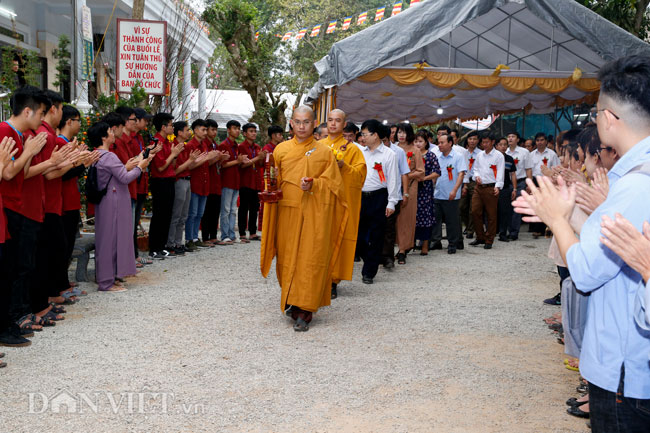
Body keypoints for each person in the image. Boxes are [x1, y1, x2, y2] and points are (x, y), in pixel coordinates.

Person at [517, 55, 650, 432]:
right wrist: (566, 212)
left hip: (625, 368)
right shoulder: (637, 176)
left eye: (596, 113)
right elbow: (606, 241)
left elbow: (588, 272)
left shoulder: (637, 183)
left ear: (609, 118)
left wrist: (558, 220)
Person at [260, 106, 347, 332]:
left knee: (311, 257)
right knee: (288, 257)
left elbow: (334, 185)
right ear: (291, 123)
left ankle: (305, 309)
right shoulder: (281, 150)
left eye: (306, 122)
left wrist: (314, 184)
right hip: (287, 211)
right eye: (297, 122)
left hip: (315, 215)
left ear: (315, 123)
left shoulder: (324, 152)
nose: (301, 126)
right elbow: (273, 179)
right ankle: (291, 298)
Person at [0, 86, 49, 347]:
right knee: (11, 269)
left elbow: (23, 171)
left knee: (16, 267)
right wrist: (29, 151)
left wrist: (29, 151)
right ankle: (9, 319)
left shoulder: (21, 134)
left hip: (16, 206)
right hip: (9, 207)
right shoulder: (5, 131)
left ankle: (11, 319)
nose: (42, 118)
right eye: (40, 113)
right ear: (27, 110)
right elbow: (7, 173)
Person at [91, 122, 152, 292]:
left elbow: (118, 173)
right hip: (113, 200)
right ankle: (106, 281)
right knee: (110, 240)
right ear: (104, 137)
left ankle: (110, 277)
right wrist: (140, 167)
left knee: (108, 239)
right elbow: (125, 177)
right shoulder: (109, 156)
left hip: (107, 199)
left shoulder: (97, 154)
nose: (113, 133)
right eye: (110, 131)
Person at [319, 109, 366, 298]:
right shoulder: (317, 146)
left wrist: (343, 166)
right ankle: (318, 277)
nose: (333, 124)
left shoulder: (353, 149)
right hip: (320, 201)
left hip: (341, 203)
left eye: (337, 121)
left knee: (337, 239)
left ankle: (333, 280)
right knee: (319, 240)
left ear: (344, 124)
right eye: (330, 120)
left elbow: (360, 176)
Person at [356, 119, 400, 284]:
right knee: (358, 238)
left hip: (379, 197)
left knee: (376, 236)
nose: (362, 137)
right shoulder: (361, 152)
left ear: (375, 135)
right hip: (361, 197)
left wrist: (391, 202)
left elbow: (393, 180)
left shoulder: (389, 155)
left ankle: (369, 272)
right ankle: (370, 258)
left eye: (365, 134)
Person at [149, 112, 180, 260]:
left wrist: (174, 154)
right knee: (159, 215)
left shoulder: (168, 142)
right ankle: (154, 248)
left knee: (167, 214)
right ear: (163, 126)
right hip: (160, 181)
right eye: (171, 125)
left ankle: (162, 246)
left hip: (169, 180)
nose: (172, 128)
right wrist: (172, 154)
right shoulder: (156, 142)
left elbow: (171, 165)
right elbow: (161, 167)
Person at [380, 125, 410, 268]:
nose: (383, 143)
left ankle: (387, 257)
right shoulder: (372, 151)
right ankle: (376, 254)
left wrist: (405, 193)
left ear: (390, 138)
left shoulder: (398, 152)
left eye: (385, 140)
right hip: (376, 193)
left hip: (394, 194)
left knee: (389, 227)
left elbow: (404, 173)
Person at [431, 133, 466, 254]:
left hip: (451, 194)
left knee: (452, 221)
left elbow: (461, 174)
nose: (439, 145)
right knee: (435, 219)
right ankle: (436, 241)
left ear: (450, 143)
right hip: (438, 193)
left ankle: (453, 243)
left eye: (442, 142)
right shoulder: (437, 156)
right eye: (438, 142)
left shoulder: (458, 156)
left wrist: (455, 190)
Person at [470, 131, 504, 249]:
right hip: (479, 187)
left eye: (486, 142)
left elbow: (500, 171)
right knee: (475, 211)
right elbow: (476, 169)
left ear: (493, 142)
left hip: (491, 187)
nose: (484, 144)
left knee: (491, 215)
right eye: (483, 142)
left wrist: (498, 186)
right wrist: (476, 176)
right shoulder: (480, 155)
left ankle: (489, 239)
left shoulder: (499, 156)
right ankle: (480, 236)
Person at [395, 123, 424, 264]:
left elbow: (421, 171)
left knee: (406, 220)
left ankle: (402, 250)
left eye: (404, 132)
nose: (401, 135)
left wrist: (406, 175)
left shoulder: (415, 150)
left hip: (410, 188)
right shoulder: (392, 149)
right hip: (393, 187)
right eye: (399, 132)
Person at [167, 121, 197, 253]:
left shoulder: (184, 146)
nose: (189, 132)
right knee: (176, 214)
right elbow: (176, 170)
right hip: (179, 181)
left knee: (184, 215)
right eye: (187, 130)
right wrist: (190, 161)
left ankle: (178, 242)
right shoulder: (174, 146)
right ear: (179, 132)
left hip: (187, 180)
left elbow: (188, 166)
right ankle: (171, 243)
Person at [185, 119, 215, 248]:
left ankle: (196, 237)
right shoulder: (190, 145)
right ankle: (189, 239)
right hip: (195, 183)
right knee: (192, 213)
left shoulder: (203, 145)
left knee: (199, 213)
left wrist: (216, 158)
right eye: (203, 130)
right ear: (195, 130)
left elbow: (206, 163)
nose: (205, 132)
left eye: (205, 129)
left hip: (204, 183)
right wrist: (206, 158)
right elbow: (189, 166)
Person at [218, 120, 245, 244]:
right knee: (226, 209)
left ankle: (232, 234)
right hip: (226, 181)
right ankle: (224, 235)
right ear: (228, 130)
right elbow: (222, 165)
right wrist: (238, 161)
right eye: (234, 128)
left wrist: (240, 162)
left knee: (233, 210)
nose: (237, 131)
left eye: (238, 128)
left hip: (235, 181)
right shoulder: (224, 145)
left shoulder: (236, 146)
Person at [529, 132, 561, 237]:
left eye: (542, 140)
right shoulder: (531, 154)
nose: (540, 142)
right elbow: (529, 170)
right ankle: (536, 228)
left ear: (546, 141)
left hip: (548, 181)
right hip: (535, 180)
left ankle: (544, 228)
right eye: (538, 140)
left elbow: (557, 168)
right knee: (536, 204)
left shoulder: (552, 154)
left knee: (546, 204)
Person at [413, 130, 440, 255]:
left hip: (425, 190)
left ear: (426, 142)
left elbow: (437, 172)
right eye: (416, 141)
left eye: (420, 141)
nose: (418, 144)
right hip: (411, 188)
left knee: (425, 217)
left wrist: (424, 178)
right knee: (412, 217)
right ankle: (409, 244)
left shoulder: (430, 155)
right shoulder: (410, 155)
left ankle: (425, 245)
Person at [238, 123, 265, 242]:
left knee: (255, 208)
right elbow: (243, 164)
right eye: (251, 131)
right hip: (245, 181)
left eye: (255, 131)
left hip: (256, 181)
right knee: (244, 208)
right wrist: (257, 158)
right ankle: (242, 233)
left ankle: (253, 232)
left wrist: (262, 158)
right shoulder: (241, 147)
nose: (254, 133)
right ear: (244, 134)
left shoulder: (258, 147)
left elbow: (260, 164)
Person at [201, 119, 225, 245]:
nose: (214, 132)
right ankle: (206, 237)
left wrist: (221, 159)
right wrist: (215, 158)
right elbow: (204, 163)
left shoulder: (215, 144)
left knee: (216, 210)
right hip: (207, 181)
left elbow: (217, 164)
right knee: (207, 211)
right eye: (212, 129)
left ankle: (214, 235)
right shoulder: (204, 144)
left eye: (216, 130)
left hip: (216, 181)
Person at [505, 131, 532, 240]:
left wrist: (529, 184)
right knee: (507, 207)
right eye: (509, 136)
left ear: (518, 139)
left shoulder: (524, 152)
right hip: (507, 182)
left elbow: (528, 168)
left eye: (513, 136)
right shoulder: (504, 152)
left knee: (517, 207)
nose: (510, 138)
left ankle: (514, 232)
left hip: (520, 182)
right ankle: (507, 229)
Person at [495, 137, 517, 242]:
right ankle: (492, 232)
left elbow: (513, 174)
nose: (503, 147)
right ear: (496, 146)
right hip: (492, 187)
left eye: (505, 145)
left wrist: (515, 189)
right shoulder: (492, 158)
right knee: (491, 211)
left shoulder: (509, 159)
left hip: (505, 188)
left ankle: (503, 234)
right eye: (501, 144)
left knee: (505, 212)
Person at [460, 130, 480, 240]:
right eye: (470, 139)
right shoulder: (463, 153)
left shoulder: (481, 153)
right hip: (463, 181)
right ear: (467, 140)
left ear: (478, 140)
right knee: (462, 206)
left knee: (473, 208)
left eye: (474, 139)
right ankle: (467, 226)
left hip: (475, 182)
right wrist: (464, 184)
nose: (472, 141)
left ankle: (471, 230)